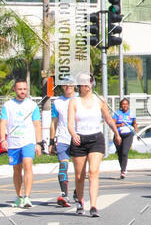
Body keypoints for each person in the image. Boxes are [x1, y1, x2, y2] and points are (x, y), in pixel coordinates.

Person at [68, 73, 120, 217]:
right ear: (79, 85)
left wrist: (116, 133)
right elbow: (70, 123)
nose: (86, 84)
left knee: (93, 172)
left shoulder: (99, 100)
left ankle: (93, 206)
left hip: (96, 139)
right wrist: (74, 134)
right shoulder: (74, 101)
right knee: (80, 175)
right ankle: (79, 202)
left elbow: (108, 118)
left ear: (92, 83)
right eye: (83, 82)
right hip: (79, 140)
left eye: (89, 81)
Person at [0, 79, 42, 208]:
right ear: (15, 90)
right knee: (17, 169)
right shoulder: (8, 105)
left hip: (28, 141)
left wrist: (38, 143)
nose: (22, 91)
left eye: (24, 89)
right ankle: (19, 197)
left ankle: (28, 197)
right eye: (20, 89)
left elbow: (37, 124)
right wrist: (2, 139)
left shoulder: (32, 105)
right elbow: (3, 123)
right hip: (13, 142)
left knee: (28, 165)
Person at [50, 80, 76, 206]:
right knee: (63, 167)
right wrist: (51, 141)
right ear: (62, 86)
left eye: (70, 84)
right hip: (63, 139)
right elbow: (54, 122)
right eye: (65, 84)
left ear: (75, 85)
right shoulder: (57, 102)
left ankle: (77, 192)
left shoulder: (79, 99)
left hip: (78, 138)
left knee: (80, 169)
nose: (68, 86)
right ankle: (64, 194)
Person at [113, 97, 138, 178]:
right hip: (118, 135)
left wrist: (136, 128)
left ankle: (123, 171)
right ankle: (123, 168)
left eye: (126, 104)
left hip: (128, 134)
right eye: (123, 104)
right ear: (121, 105)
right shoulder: (117, 113)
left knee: (124, 152)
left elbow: (134, 123)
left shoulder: (131, 114)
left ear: (128, 105)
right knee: (120, 153)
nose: (125, 106)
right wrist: (120, 125)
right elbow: (113, 125)